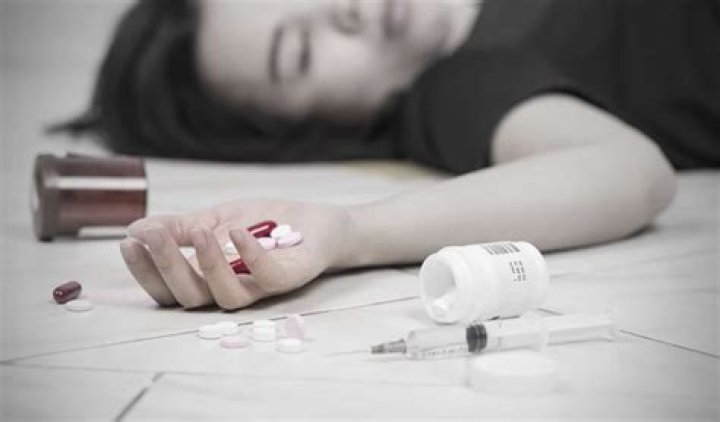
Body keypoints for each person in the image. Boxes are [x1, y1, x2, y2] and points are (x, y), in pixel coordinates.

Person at [61, 0, 719, 310]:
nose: (342, 10)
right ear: (316, 126)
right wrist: (349, 233)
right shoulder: (461, 84)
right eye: (300, 52)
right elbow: (633, 173)